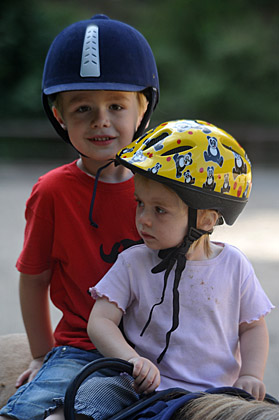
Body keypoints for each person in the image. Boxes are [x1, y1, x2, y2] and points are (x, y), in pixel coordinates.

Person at [46, 119, 274, 420]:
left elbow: (253, 327)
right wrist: (131, 359)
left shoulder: (234, 265)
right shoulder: (133, 261)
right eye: (140, 204)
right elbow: (100, 321)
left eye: (160, 210)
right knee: (78, 403)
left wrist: (251, 374)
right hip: (138, 384)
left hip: (216, 393)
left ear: (206, 220)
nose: (144, 219)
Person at [0, 13, 159, 420]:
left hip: (164, 348)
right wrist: (39, 355)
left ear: (143, 109)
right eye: (83, 107)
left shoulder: (164, 186)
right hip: (81, 349)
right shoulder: (52, 191)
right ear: (59, 116)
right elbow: (34, 278)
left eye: (116, 105)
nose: (101, 120)